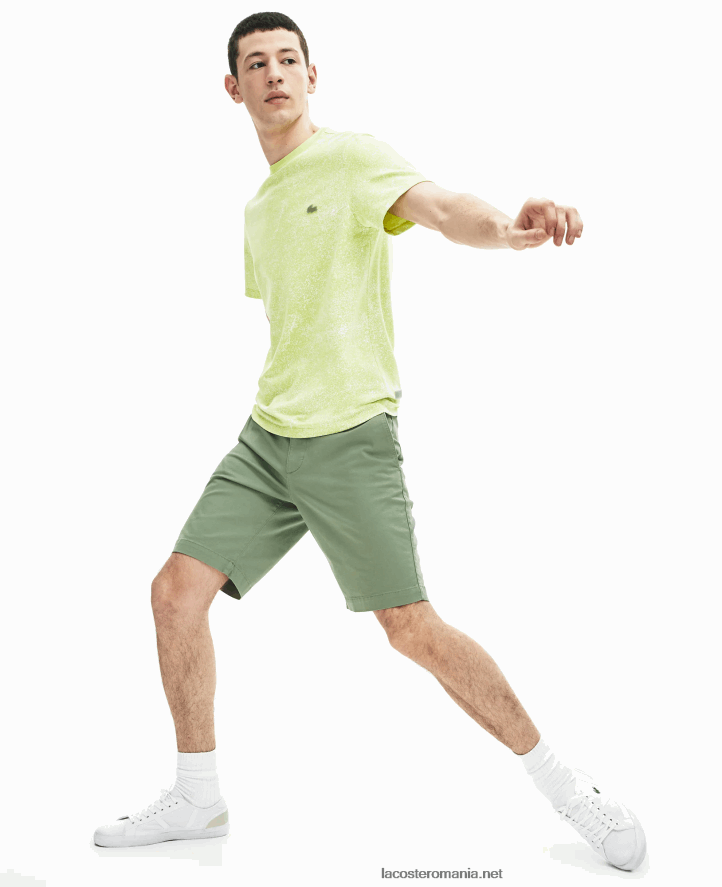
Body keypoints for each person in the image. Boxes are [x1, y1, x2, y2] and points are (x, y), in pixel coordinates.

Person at [93, 11, 646, 871]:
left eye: (288, 59)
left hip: (350, 436)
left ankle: (569, 787)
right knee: (172, 593)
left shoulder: (352, 158)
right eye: (255, 64)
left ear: (312, 76)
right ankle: (198, 797)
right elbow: (294, 321)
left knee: (410, 627)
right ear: (232, 88)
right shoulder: (257, 207)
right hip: (268, 437)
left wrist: (509, 229)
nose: (274, 74)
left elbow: (443, 209)